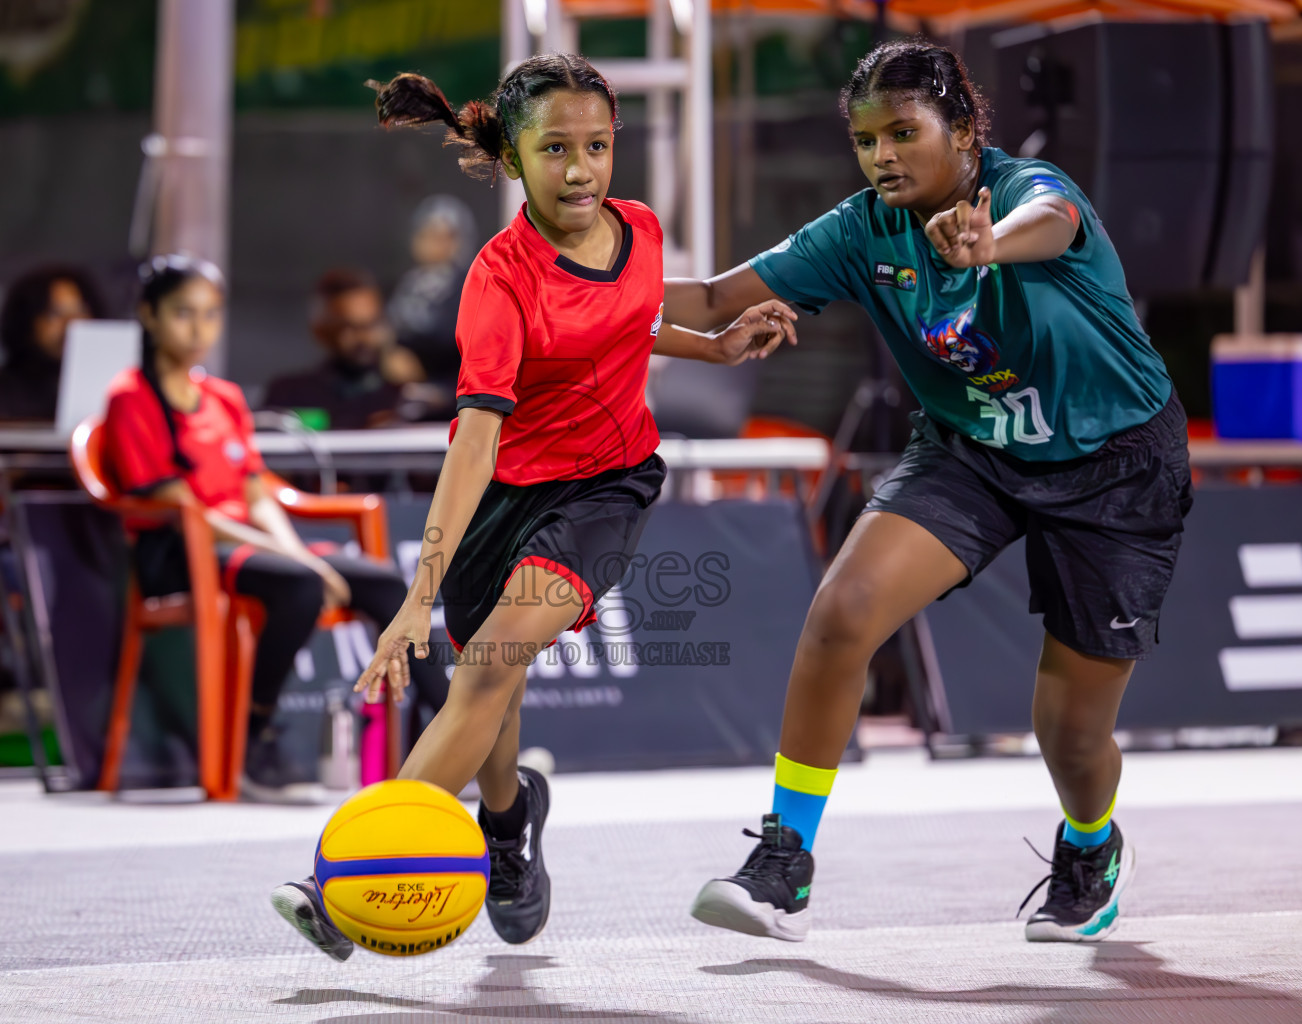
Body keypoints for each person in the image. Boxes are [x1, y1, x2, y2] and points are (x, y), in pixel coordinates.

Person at [268, 52, 794, 961]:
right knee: (496, 703)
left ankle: (340, 876)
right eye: (557, 149)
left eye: (597, 146)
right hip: (501, 495)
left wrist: (715, 345)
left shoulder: (640, 229)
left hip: (604, 488)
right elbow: (473, 444)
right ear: (513, 158)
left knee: (486, 671)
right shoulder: (498, 280)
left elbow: (630, 316)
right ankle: (509, 824)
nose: (582, 168)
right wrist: (418, 599)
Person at [669, 41, 1191, 944]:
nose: (882, 157)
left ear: (963, 131)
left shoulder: (1032, 188)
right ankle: (785, 861)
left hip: (1115, 465)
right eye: (867, 139)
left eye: (904, 133)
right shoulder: (862, 228)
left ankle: (1092, 846)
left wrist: (988, 247)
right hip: (972, 446)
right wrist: (575, 295)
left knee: (1067, 734)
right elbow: (713, 299)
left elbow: (1051, 225)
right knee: (845, 608)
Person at [100, 255, 450, 803]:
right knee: (301, 584)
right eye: (183, 314)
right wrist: (301, 563)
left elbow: (256, 493)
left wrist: (295, 551)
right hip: (179, 551)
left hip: (249, 546)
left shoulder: (225, 397)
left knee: (382, 580)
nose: (199, 330)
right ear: (148, 316)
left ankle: (449, 742)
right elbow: (184, 506)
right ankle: (254, 736)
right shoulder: (130, 397)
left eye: (211, 315)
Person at [262, 269, 420, 430]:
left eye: (371, 325)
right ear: (320, 331)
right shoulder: (289, 395)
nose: (363, 338)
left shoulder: (404, 394)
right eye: (349, 327)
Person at [0, 264, 104, 422]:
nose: (71, 324)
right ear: (26, 321)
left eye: (80, 311)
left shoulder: (110, 386)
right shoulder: (0, 394)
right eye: (55, 313)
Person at [387, 195, 478, 419]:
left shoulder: (469, 286)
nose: (431, 243)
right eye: (425, 234)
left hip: (450, 397)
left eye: (441, 237)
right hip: (405, 395)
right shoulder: (408, 287)